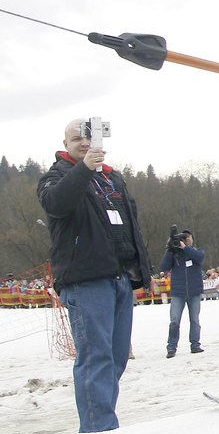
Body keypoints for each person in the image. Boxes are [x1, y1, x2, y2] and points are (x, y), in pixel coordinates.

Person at [37, 118, 151, 432]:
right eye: (77, 139)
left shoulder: (113, 178)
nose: (85, 143)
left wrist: (142, 271)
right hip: (86, 280)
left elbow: (132, 226)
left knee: (115, 358)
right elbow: (56, 203)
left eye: (89, 137)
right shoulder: (55, 176)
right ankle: (99, 426)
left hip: (119, 278)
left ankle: (100, 420)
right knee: (95, 357)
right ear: (65, 144)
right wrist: (84, 168)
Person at [160, 229, 204, 357]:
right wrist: (170, 249)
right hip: (178, 292)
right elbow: (163, 267)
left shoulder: (197, 251)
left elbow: (199, 258)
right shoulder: (175, 254)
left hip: (194, 291)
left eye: (189, 238)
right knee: (174, 320)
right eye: (184, 238)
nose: (186, 240)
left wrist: (185, 248)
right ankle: (171, 347)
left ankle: (195, 344)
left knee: (194, 319)